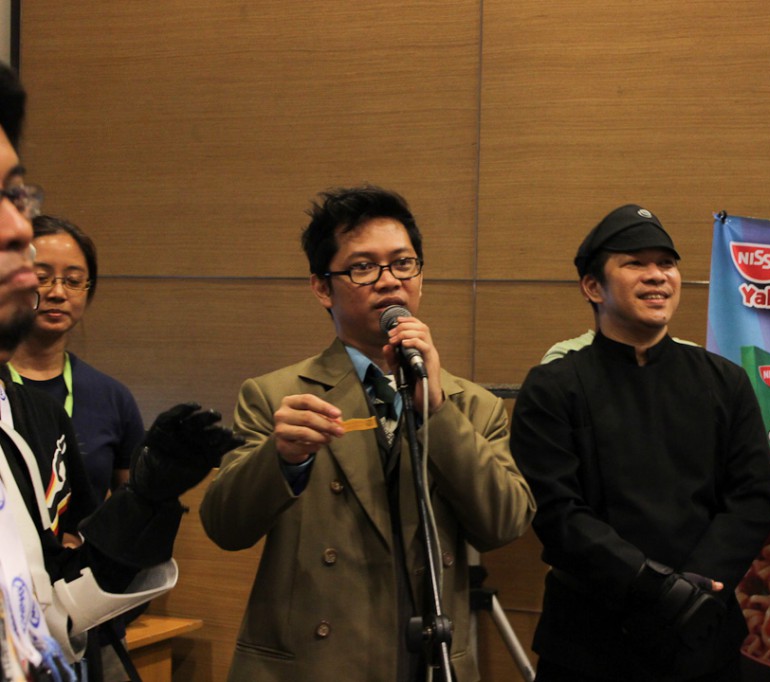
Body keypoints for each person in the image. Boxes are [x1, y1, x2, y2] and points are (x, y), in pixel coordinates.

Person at [199, 185, 535, 682]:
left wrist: (436, 411)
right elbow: (225, 527)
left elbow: (504, 522)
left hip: (426, 662)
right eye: (363, 267)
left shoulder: (470, 405)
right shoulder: (278, 396)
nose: (389, 280)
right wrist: (282, 459)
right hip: (312, 666)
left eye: (403, 263)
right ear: (322, 288)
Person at [0, 63, 239, 680]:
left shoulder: (24, 416)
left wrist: (147, 502)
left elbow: (59, 605)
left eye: (16, 195)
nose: (18, 228)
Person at [510, 204, 770, 681]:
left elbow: (754, 495)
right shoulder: (554, 386)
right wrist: (653, 585)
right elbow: (556, 511)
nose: (657, 276)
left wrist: (697, 587)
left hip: (703, 635)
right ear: (593, 287)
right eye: (635, 263)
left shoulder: (724, 381)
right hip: (589, 641)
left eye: (666, 263)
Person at [6, 214, 147, 681]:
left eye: (73, 280)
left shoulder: (112, 397)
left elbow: (131, 515)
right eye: (42, 276)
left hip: (83, 618)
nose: (57, 292)